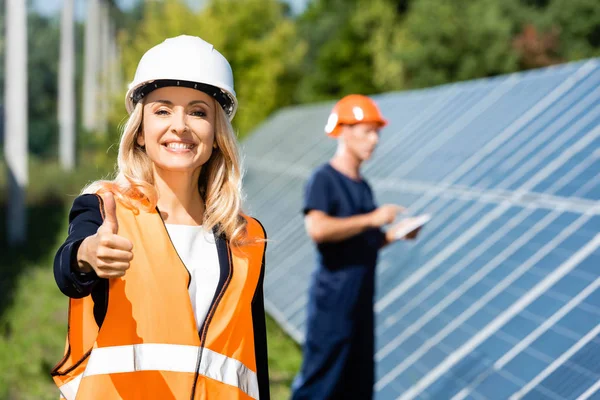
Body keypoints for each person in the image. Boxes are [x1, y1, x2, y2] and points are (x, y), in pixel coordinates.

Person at [51, 35, 269, 400]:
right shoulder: (106, 208)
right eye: (163, 110)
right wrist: (88, 255)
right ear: (139, 132)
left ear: (217, 135)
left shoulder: (247, 238)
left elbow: (253, 359)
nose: (180, 125)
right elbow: (69, 268)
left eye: (198, 112)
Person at [291, 94, 423, 400]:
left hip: (361, 302)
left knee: (357, 385)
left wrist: (394, 235)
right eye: (367, 131)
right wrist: (373, 218)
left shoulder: (362, 185)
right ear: (345, 131)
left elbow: (366, 242)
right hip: (333, 304)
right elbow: (318, 229)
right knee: (321, 383)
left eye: (377, 132)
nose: (375, 140)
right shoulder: (324, 179)